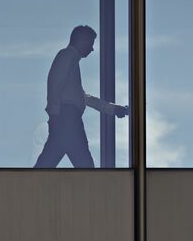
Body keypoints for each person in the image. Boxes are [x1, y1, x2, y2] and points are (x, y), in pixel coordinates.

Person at [34, 25, 128, 168]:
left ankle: (27, 187)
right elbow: (54, 83)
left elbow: (83, 97)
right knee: (84, 166)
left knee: (48, 163)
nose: (92, 48)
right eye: (90, 43)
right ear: (82, 40)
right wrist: (55, 116)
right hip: (67, 118)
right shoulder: (67, 55)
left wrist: (114, 109)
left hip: (64, 118)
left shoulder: (71, 60)